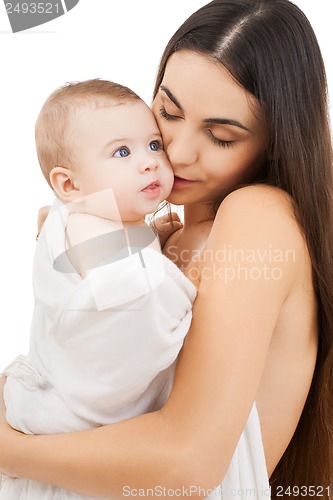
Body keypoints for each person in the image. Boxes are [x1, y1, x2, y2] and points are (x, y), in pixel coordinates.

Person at [1, 0, 333, 498]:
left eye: (220, 136)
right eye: (168, 113)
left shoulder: (258, 215)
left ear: (276, 143)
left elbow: (188, 464)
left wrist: (12, 450)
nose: (175, 153)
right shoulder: (164, 231)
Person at [0, 79, 197, 498]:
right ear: (70, 186)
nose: (148, 163)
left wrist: (153, 238)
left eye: (153, 145)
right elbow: (133, 302)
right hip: (69, 415)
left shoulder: (98, 217)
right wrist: (184, 278)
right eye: (122, 152)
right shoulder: (90, 226)